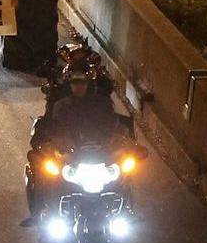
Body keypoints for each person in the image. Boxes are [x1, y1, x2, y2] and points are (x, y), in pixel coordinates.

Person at [22, 48, 133, 227]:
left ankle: (127, 209)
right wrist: (49, 142)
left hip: (97, 154)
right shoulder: (60, 105)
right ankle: (40, 213)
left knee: (125, 170)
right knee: (42, 167)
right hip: (70, 155)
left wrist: (124, 143)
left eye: (82, 82)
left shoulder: (101, 103)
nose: (78, 86)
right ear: (69, 83)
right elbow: (52, 127)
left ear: (89, 83)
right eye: (75, 82)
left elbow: (112, 125)